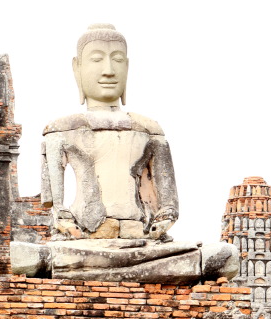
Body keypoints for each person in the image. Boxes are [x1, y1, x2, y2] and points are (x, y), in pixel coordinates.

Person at [40, 23, 178, 241]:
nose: (109, 70)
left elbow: (168, 206)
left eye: (118, 60)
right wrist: (69, 227)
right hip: (85, 239)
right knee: (33, 258)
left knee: (221, 256)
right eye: (96, 59)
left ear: (128, 67)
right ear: (77, 69)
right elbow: (55, 208)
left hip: (140, 237)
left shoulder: (149, 131)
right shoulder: (61, 131)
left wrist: (160, 223)